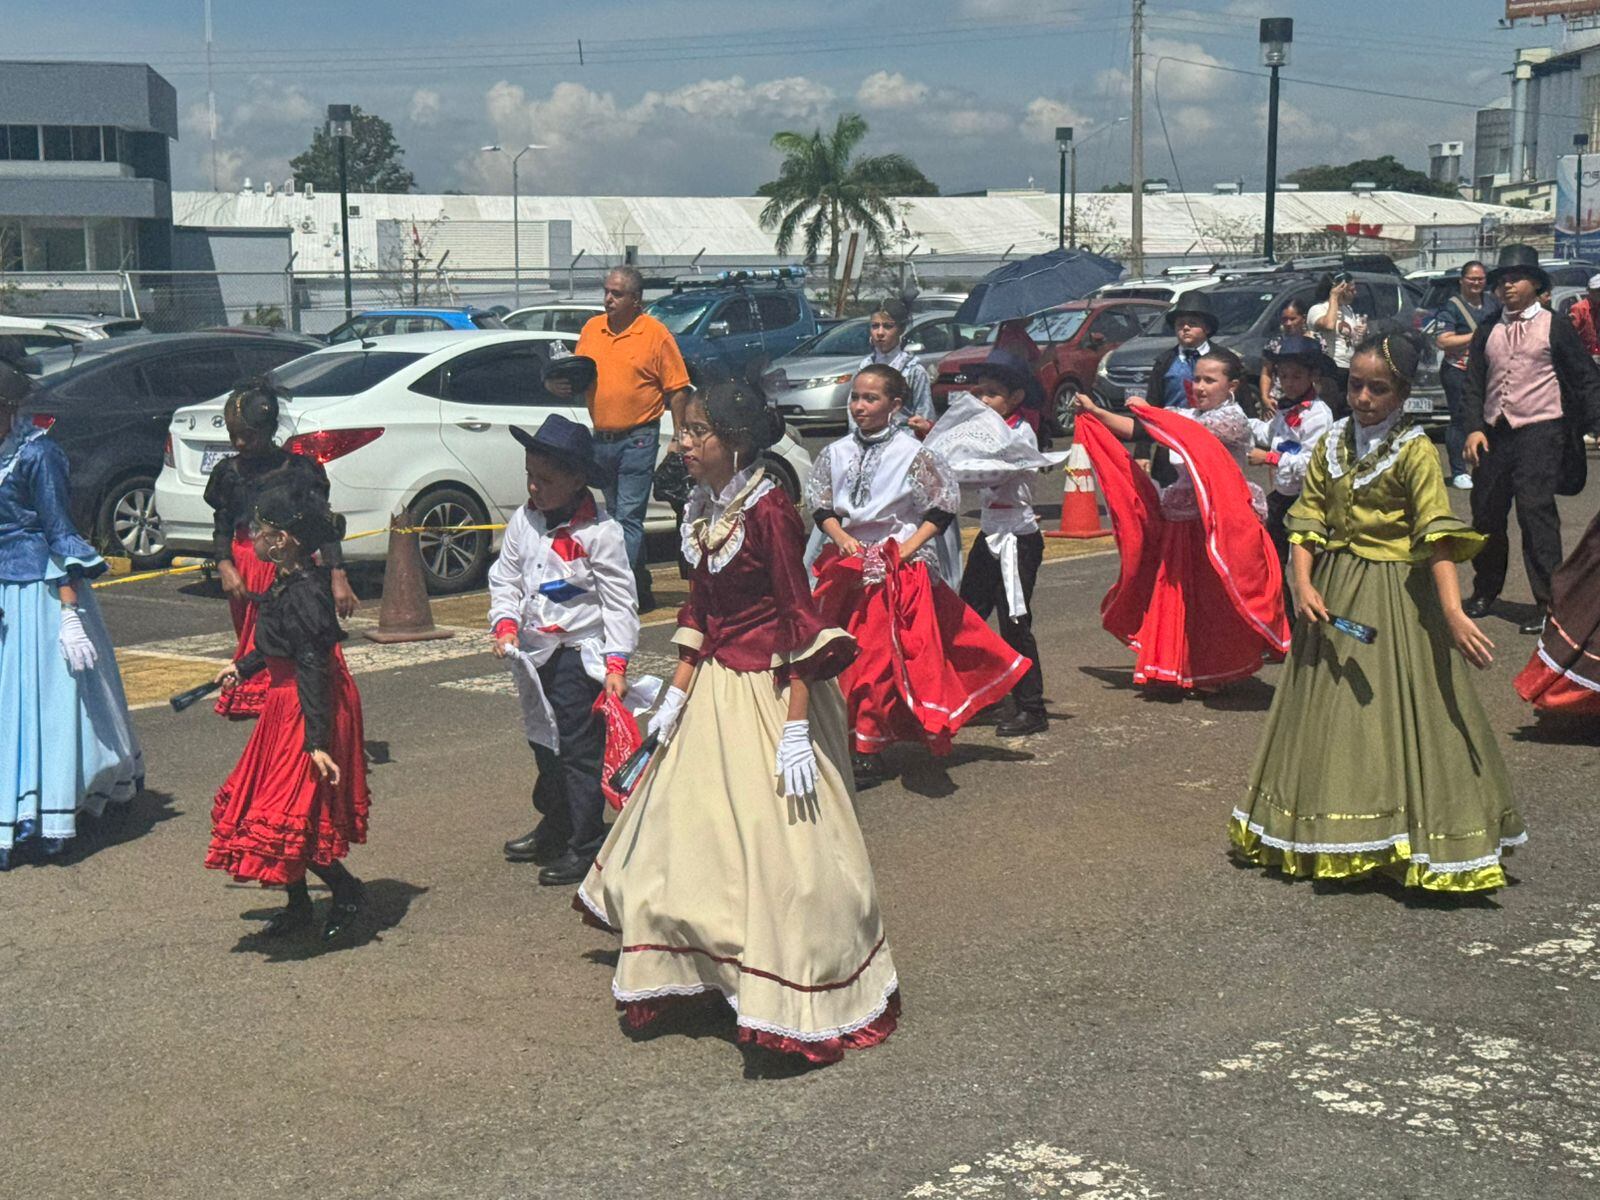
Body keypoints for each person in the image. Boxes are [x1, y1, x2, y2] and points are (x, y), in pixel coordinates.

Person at [574, 378, 899, 1066]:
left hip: (770, 688)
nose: (683, 444)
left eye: (696, 433)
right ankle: (679, 975)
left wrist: (795, 728)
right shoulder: (700, 507)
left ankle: (785, 996)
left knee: (777, 855)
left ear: (736, 442)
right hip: (713, 686)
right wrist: (674, 697)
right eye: (683, 433)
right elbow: (701, 612)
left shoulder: (771, 510)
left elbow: (797, 618)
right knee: (675, 839)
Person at [1231, 330, 1524, 894]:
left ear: (1404, 392)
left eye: (1378, 389)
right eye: (1357, 385)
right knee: (1328, 713)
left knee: (1396, 714)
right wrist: (1302, 583)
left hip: (1397, 596)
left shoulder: (1415, 448)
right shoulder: (1334, 440)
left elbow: (1435, 536)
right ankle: (1328, 828)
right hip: (1335, 588)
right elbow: (1308, 518)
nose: (1363, 397)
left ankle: (1404, 833)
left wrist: (1454, 612)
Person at [808, 364, 1030, 785]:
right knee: (837, 654)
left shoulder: (914, 452)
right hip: (848, 566)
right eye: (856, 397)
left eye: (870, 399)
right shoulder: (835, 452)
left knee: (875, 658)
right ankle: (847, 735)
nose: (859, 406)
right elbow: (821, 507)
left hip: (897, 567)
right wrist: (841, 538)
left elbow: (940, 508)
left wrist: (903, 551)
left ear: (894, 405)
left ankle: (868, 748)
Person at [206, 479, 369, 941]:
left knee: (294, 812)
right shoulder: (288, 581)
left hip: (303, 707)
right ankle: (298, 905)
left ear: (282, 540)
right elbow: (278, 646)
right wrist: (242, 666)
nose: (253, 535)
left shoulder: (305, 594)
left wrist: (317, 742)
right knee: (269, 808)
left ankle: (346, 891)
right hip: (284, 704)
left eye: (261, 528)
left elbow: (313, 667)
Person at [0, 349, 143, 870]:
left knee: (52, 703)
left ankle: (52, 808)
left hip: (42, 590)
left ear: (9, 409)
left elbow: (58, 530)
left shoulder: (39, 455)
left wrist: (68, 614)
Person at [1074, 350, 1289, 691]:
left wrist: (1149, 411)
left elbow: (1182, 433)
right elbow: (1141, 429)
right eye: (1197, 379)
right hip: (1184, 518)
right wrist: (1097, 412)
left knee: (1215, 599)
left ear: (1231, 385)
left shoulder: (1232, 419)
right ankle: (1178, 665)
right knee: (1178, 595)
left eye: (1210, 380)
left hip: (1220, 521)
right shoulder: (1185, 414)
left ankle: (1215, 667)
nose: (1200, 387)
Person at [488, 414, 640, 886]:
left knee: (578, 748)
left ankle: (585, 841)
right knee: (543, 741)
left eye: (546, 480)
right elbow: (506, 577)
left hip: (578, 651)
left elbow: (619, 601)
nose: (534, 487)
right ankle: (554, 823)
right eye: (530, 476)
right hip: (534, 653)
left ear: (577, 481)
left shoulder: (601, 533)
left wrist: (617, 661)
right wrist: (506, 622)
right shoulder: (524, 520)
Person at [1462, 244, 1600, 634]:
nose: (1507, 286)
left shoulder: (1554, 325)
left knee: (1535, 514)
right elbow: (1474, 383)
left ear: (1535, 284)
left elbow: (1584, 378)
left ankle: (1548, 603)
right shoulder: (1488, 328)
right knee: (1485, 515)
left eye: (1515, 279)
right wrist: (1473, 427)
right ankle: (1486, 589)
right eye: (1501, 281)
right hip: (1494, 433)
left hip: (1541, 430)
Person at [204, 378, 356, 718]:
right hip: (247, 568)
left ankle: (299, 709)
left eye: (249, 435)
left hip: (292, 566)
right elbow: (222, 523)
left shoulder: (300, 471)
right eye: (233, 436)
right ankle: (271, 711)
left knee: (302, 637)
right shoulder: (229, 473)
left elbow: (324, 527)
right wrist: (224, 564)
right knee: (264, 642)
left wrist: (337, 574)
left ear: (271, 429)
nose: (240, 443)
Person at [552, 266, 692, 612]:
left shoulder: (654, 334)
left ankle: (618, 597)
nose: (608, 299)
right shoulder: (592, 330)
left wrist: (679, 437)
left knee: (627, 517)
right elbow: (578, 377)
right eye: (606, 291)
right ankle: (638, 586)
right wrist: (556, 384)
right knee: (613, 518)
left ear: (636, 300)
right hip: (601, 439)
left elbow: (677, 390)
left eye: (616, 294)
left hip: (639, 438)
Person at [940, 350, 1063, 737]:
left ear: (1015, 399)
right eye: (981, 393)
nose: (984, 400)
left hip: (1017, 538)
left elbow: (988, 471)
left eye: (993, 393)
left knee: (1015, 623)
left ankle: (1031, 707)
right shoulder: (983, 430)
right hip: (991, 533)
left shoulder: (1018, 434)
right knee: (967, 616)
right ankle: (985, 695)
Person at [1248, 335, 1335, 603]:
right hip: (1283, 495)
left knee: (1308, 566)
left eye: (1296, 376)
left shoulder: (1318, 415)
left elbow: (1311, 462)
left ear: (1313, 376)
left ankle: (1315, 617)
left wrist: (1270, 459)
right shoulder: (1285, 409)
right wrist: (1238, 422)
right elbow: (1268, 433)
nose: (1288, 382)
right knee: (1271, 561)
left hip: (1308, 499)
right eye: (1283, 376)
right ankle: (1284, 620)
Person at [1431, 261, 1496, 490]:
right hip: (1458, 370)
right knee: (1460, 420)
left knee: (1488, 419)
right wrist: (1475, 335)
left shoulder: (1492, 303)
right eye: (1471, 278)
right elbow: (1443, 340)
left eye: (1480, 278)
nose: (1476, 282)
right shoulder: (1451, 307)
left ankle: (1485, 465)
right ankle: (1458, 470)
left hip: (1487, 372)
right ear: (1462, 280)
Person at [856, 299, 935, 435]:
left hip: (903, 442)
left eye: (888, 326)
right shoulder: (865, 367)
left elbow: (924, 414)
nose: (880, 333)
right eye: (875, 326)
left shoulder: (913, 370)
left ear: (901, 329)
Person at [1146, 292, 1219, 410]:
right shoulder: (1164, 362)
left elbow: (1243, 403)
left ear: (1207, 328)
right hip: (1174, 424)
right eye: (1180, 324)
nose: (1185, 328)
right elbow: (1153, 404)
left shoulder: (1224, 358)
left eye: (1192, 323)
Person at [1307, 272, 1368, 394]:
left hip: (1349, 368)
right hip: (1329, 369)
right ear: (1341, 290)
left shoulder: (1348, 310)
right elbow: (1329, 325)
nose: (1355, 293)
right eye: (1351, 290)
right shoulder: (1318, 309)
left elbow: (1353, 340)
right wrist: (1333, 297)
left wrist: (1363, 333)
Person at [1257, 296, 1310, 414]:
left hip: (1307, 399)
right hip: (1278, 400)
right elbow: (1266, 372)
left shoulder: (1314, 342)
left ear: (1303, 318)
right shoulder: (1274, 344)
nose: (1288, 323)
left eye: (1292, 319)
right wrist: (1265, 398)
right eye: (1284, 319)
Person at [1569, 273, 1600, 359]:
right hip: (1583, 355)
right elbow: (1571, 334)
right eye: (1598, 291)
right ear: (1590, 291)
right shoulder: (1579, 308)